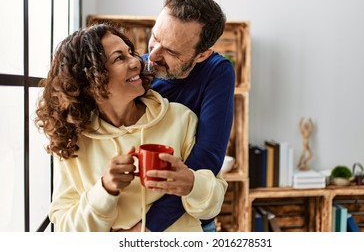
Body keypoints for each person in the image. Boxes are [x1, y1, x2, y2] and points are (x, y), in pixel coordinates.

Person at [34, 23, 227, 232]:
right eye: (120, 58)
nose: (136, 61)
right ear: (91, 78)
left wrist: (192, 184)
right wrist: (105, 189)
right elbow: (66, 229)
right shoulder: (74, 140)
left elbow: (212, 205)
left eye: (129, 52)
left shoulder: (180, 118)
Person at [143, 0, 236, 232]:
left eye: (171, 51)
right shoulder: (135, 69)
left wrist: (148, 229)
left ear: (202, 54)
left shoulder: (217, 72)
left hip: (189, 221)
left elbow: (206, 159)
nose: (152, 55)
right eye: (155, 37)